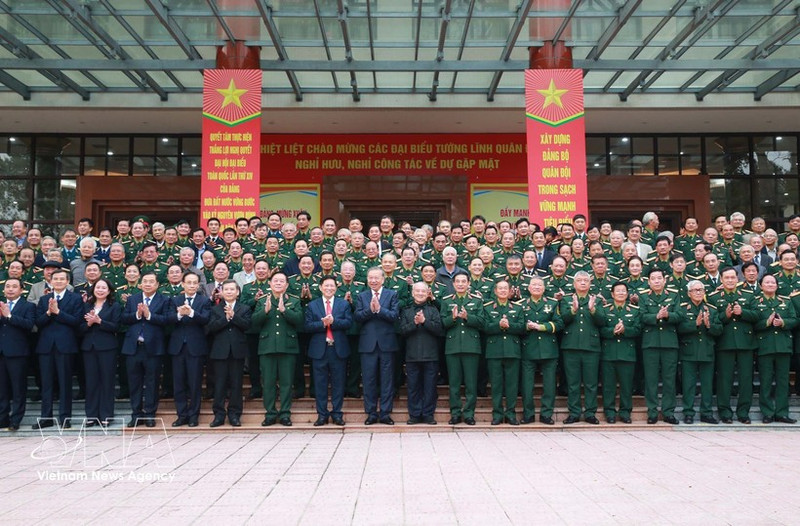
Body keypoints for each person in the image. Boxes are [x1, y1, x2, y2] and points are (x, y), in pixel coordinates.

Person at [34, 269, 83, 429]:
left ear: (68, 281)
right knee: (47, 384)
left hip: (65, 345)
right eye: (56, 279)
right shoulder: (44, 299)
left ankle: (64, 417)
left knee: (65, 382)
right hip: (46, 346)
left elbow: (76, 321)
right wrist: (49, 312)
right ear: (51, 281)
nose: (59, 281)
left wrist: (58, 312)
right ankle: (46, 417)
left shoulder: (75, 299)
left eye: (62, 279)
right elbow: (38, 322)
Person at [708, 266, 758, 424]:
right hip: (725, 343)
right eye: (726, 278)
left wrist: (742, 312)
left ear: (738, 279)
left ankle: (743, 412)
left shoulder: (749, 295)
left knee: (746, 379)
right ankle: (725, 412)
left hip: (745, 343)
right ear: (721, 280)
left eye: (732, 278)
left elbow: (757, 315)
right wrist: (726, 315)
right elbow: (713, 321)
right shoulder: (713, 297)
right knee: (724, 380)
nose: (730, 280)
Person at [253, 272, 303, 427]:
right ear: (270, 283)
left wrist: (284, 311)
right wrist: (265, 311)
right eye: (275, 281)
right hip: (267, 347)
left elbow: (299, 320)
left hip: (287, 347)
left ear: (287, 285)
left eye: (282, 281)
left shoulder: (294, 300)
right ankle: (270, 413)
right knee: (268, 383)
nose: (279, 283)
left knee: (287, 383)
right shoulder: (262, 300)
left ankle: (285, 414)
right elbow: (254, 322)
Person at [121, 271, 169, 428]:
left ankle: (149, 413)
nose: (148, 284)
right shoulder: (133, 299)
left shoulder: (164, 300)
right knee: (134, 383)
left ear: (157, 285)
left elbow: (166, 320)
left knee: (152, 382)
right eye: (145, 281)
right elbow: (124, 318)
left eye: (151, 281)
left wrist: (149, 315)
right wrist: (137, 314)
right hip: (133, 348)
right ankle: (136, 414)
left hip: (153, 348)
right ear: (141, 284)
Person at [305, 275, 353, 426]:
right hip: (320, 350)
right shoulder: (312, 305)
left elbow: (349, 322)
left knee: (339, 384)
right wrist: (322, 324)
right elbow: (307, 326)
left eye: (332, 286)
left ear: (336, 288)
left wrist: (334, 322)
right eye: (326, 286)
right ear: (320, 287)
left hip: (338, 349)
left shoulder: (343, 304)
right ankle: (322, 414)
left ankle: (337, 414)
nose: (329, 288)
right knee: (320, 384)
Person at [559, 271, 606, 424]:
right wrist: (573, 309)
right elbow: (562, 320)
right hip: (571, 345)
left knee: (591, 383)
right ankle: (574, 412)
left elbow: (602, 321)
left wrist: (593, 309)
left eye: (586, 280)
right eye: (579, 280)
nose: (583, 283)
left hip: (591, 346)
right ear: (574, 284)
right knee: (573, 383)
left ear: (590, 283)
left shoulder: (596, 300)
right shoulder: (566, 299)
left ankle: (590, 413)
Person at [355, 267, 400, 425]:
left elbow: (395, 316)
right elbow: (358, 316)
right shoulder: (362, 296)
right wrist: (370, 310)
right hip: (368, 345)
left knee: (387, 380)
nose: (373, 281)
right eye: (370, 278)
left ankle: (386, 413)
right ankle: (371, 412)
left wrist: (380, 310)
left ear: (382, 279)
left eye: (376, 278)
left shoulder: (392, 294)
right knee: (369, 380)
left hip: (387, 344)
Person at [167, 272, 211, 427]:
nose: (192, 285)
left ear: (198, 285)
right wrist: (179, 314)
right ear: (183, 284)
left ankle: (193, 415)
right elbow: (168, 319)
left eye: (194, 283)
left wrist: (191, 313)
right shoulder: (175, 300)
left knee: (194, 383)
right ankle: (182, 415)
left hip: (195, 348)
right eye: (189, 283)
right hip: (177, 348)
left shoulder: (204, 301)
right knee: (178, 383)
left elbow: (206, 319)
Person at [639, 268, 682, 425]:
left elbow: (680, 315)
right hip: (650, 343)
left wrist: (668, 315)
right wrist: (656, 316)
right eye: (653, 279)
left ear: (665, 280)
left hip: (669, 343)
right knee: (651, 380)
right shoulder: (644, 297)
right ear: (648, 281)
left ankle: (668, 412)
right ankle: (652, 412)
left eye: (659, 278)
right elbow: (642, 316)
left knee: (669, 380)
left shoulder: (673, 295)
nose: (656, 281)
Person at [439, 272, 484, 425]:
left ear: (468, 283)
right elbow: (442, 323)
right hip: (452, 346)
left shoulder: (477, 300)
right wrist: (452, 318)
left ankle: (469, 413)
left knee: (471, 384)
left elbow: (482, 321)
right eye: (457, 281)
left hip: (471, 346)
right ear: (453, 284)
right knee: (454, 383)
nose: (460, 284)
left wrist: (467, 317)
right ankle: (456, 413)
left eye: (463, 281)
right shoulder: (446, 301)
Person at [206, 279, 252, 427]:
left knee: (236, 384)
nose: (229, 292)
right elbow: (210, 328)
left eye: (232, 289)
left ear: (237, 292)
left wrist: (233, 316)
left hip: (237, 352)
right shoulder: (215, 309)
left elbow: (247, 326)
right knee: (219, 385)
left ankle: (234, 414)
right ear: (222, 292)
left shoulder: (244, 308)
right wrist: (226, 319)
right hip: (220, 352)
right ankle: (218, 415)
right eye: (226, 290)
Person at [677, 280, 722, 424]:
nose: (698, 292)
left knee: (707, 384)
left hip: (707, 351)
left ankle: (706, 413)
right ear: (689, 293)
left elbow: (719, 329)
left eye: (701, 290)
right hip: (688, 351)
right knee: (688, 385)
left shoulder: (711, 309)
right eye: (695, 290)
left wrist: (709, 326)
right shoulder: (683, 308)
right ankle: (688, 413)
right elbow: (678, 328)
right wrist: (694, 325)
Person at [755, 273, 797, 424]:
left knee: (783, 381)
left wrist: (783, 323)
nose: (771, 285)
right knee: (765, 381)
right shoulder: (755, 301)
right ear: (761, 286)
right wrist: (766, 323)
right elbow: (752, 323)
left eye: (773, 282)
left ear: (777, 285)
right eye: (767, 282)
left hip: (783, 346)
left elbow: (794, 319)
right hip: (765, 346)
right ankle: (767, 412)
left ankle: (781, 412)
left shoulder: (786, 301)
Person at [78, 278, 121, 427]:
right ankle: (91, 415)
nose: (100, 290)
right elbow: (79, 328)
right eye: (98, 287)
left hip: (107, 348)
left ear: (109, 291)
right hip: (89, 348)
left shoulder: (114, 306)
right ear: (93, 289)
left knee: (107, 381)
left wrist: (100, 322)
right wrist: (89, 324)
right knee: (91, 382)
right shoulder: (86, 305)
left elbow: (116, 326)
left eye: (104, 288)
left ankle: (106, 415)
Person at [399, 281, 443, 425]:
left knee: (430, 387)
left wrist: (424, 322)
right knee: (413, 386)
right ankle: (415, 414)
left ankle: (428, 414)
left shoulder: (433, 310)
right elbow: (403, 331)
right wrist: (415, 324)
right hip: (412, 355)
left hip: (430, 355)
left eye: (423, 291)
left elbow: (439, 330)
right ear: (412, 293)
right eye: (417, 291)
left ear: (428, 293)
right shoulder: (406, 310)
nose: (420, 293)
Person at [520, 277, 562, 425]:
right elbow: (517, 324)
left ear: (544, 288)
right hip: (528, 348)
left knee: (550, 385)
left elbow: (559, 323)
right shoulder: (521, 304)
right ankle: (528, 414)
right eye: (534, 285)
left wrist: (542, 327)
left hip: (548, 349)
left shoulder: (552, 303)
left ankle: (546, 414)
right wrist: (527, 326)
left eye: (539, 285)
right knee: (527, 385)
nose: (537, 287)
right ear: (529, 288)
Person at [483, 280, 524, 425]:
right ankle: (498, 414)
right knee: (496, 385)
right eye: (499, 288)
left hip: (512, 350)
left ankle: (511, 414)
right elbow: (485, 327)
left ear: (509, 291)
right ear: (495, 291)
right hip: (494, 351)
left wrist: (509, 326)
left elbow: (522, 327)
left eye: (505, 288)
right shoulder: (488, 308)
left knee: (512, 385)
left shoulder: (517, 308)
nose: (502, 291)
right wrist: (498, 325)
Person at [600, 282, 641, 424]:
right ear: (612, 294)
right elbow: (600, 330)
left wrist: (625, 330)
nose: (621, 293)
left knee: (626, 386)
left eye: (624, 291)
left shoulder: (635, 310)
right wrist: (612, 330)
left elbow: (638, 330)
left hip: (627, 353)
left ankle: (625, 412)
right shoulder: (605, 310)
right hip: (608, 353)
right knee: (608, 386)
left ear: (627, 293)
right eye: (618, 291)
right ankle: (610, 412)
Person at [0, 278, 36, 431]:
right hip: (1, 352)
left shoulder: (28, 306)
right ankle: (2, 418)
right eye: (7, 286)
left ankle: (16, 419)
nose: (10, 289)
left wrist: (9, 316)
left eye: (14, 286)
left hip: (18, 352)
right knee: (1, 389)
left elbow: (29, 325)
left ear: (22, 290)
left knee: (18, 388)